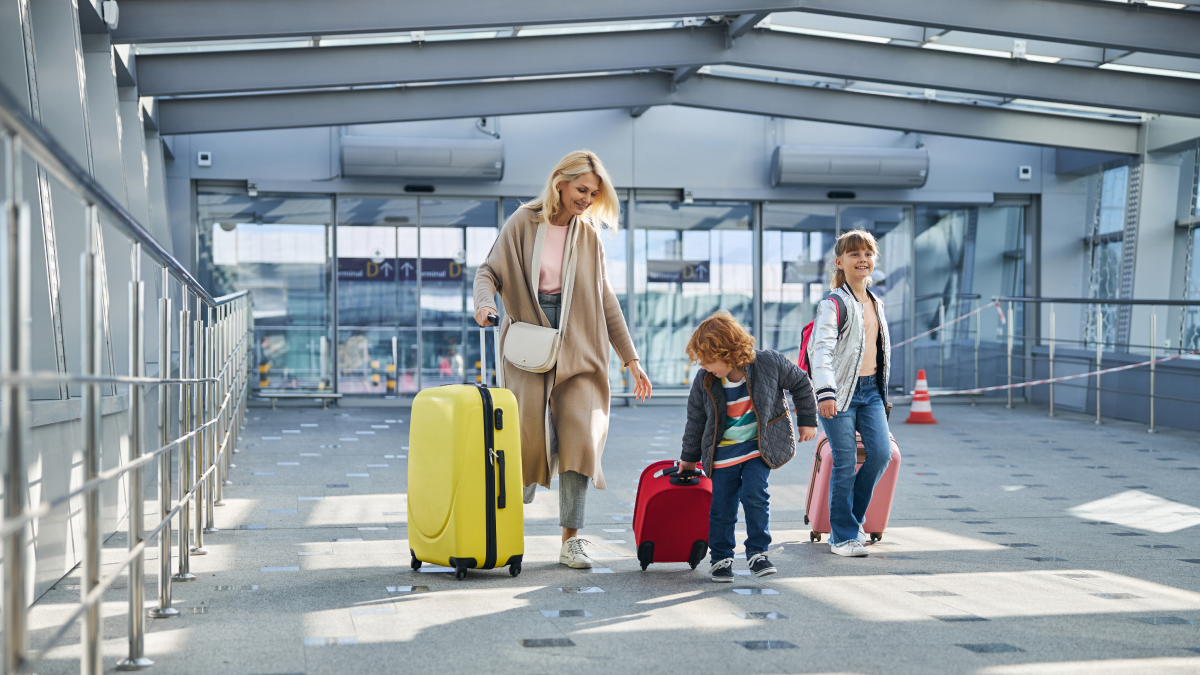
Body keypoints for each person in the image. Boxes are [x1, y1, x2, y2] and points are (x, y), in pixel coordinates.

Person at [473, 150, 652, 570]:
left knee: (580, 437)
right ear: (560, 183)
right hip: (528, 343)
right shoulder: (522, 223)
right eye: (582, 190)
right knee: (525, 438)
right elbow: (488, 273)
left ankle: (571, 539)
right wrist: (484, 304)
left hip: (580, 341)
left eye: (594, 193)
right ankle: (502, 525)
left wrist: (631, 359)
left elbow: (605, 299)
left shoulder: (588, 236)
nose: (588, 199)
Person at [679, 311, 818, 582]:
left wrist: (808, 421)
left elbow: (801, 382)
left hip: (758, 449)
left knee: (755, 496)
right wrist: (688, 458)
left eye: (709, 361)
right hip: (721, 457)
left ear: (728, 351)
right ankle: (720, 558)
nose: (705, 367)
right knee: (721, 508)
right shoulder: (705, 380)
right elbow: (695, 421)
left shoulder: (769, 363)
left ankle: (757, 553)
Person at [807, 229, 893, 557]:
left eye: (868, 254)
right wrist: (825, 391)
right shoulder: (832, 304)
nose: (862, 259)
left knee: (881, 455)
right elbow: (822, 350)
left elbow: (878, 351)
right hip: (839, 393)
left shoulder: (876, 303)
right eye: (854, 254)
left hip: (871, 392)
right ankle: (842, 537)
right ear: (840, 262)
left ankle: (850, 521)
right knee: (844, 461)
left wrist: (882, 394)